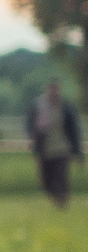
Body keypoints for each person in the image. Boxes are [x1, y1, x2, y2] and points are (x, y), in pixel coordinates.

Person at [29, 78, 80, 208]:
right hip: (44, 149)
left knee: (60, 177)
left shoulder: (66, 107)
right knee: (46, 180)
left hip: (62, 148)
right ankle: (55, 198)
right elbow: (30, 125)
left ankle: (62, 204)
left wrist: (77, 150)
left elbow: (73, 129)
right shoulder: (39, 106)